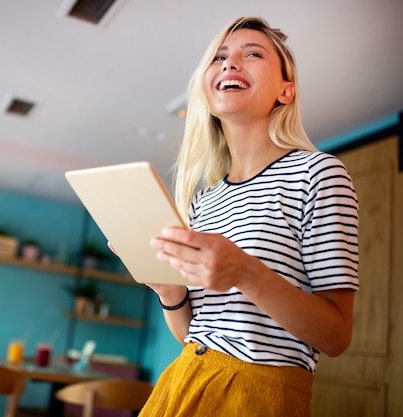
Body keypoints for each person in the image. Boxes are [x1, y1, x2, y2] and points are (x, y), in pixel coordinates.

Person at [139, 17, 359, 417]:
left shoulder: (317, 173)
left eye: (252, 54)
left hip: (259, 395)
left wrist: (245, 272)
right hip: (183, 382)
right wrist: (170, 294)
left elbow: (336, 336)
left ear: (285, 91)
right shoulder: (202, 202)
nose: (229, 64)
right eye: (219, 57)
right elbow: (196, 335)